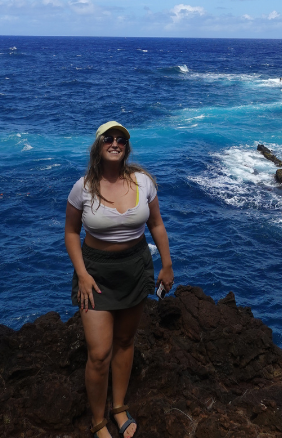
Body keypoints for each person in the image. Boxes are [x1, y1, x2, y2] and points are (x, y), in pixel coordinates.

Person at [65, 122, 174, 438]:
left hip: (136, 267)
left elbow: (157, 224)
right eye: (109, 139)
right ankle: (98, 420)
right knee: (99, 353)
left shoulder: (143, 182)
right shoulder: (83, 187)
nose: (115, 143)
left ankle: (119, 406)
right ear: (98, 146)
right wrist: (83, 275)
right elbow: (71, 233)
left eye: (121, 139)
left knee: (126, 342)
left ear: (127, 146)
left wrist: (166, 266)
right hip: (96, 273)